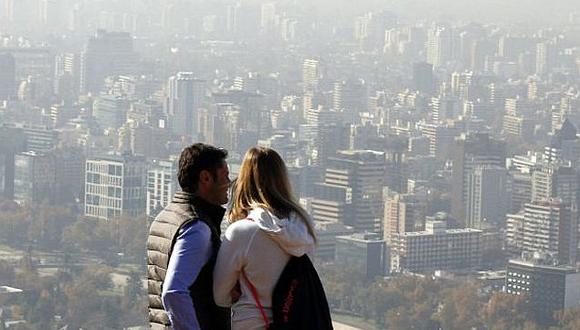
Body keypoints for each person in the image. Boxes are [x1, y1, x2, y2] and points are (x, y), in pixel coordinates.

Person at [213, 147, 317, 329]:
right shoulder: (304, 226)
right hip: (298, 321)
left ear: (245, 180)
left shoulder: (241, 232)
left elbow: (220, 296)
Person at [147, 143, 231, 330]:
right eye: (225, 175)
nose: (229, 182)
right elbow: (173, 292)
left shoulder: (166, 216)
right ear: (206, 178)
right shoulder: (197, 228)